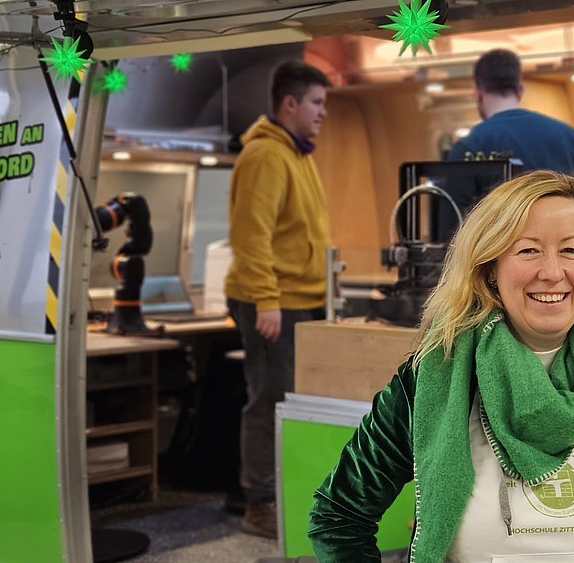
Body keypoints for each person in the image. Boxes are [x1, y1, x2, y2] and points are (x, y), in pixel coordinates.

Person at [309, 171, 574, 562]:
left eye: (570, 250)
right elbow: (338, 517)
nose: (552, 272)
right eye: (528, 250)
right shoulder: (435, 377)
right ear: (490, 268)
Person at [224, 59, 332, 537]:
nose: (322, 112)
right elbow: (251, 236)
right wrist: (266, 299)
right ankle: (260, 503)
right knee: (269, 401)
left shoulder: (298, 153)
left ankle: (283, 495)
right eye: (316, 102)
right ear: (290, 103)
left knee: (288, 401)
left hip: (299, 299)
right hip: (273, 301)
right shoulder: (266, 156)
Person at [438, 49, 574, 238]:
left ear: (477, 93)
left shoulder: (469, 146)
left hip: (502, 262)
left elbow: (451, 231)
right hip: (565, 257)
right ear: (520, 90)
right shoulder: (570, 137)